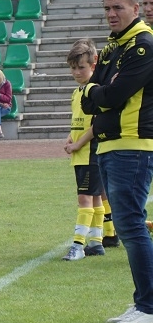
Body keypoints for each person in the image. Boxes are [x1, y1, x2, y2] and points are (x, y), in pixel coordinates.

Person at [80, 0, 153, 323]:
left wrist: (96, 91)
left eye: (118, 8)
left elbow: (110, 95)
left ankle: (149, 306)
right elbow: (89, 97)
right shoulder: (113, 46)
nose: (111, 14)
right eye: (107, 8)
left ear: (136, 9)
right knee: (127, 224)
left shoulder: (142, 46)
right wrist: (97, 91)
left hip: (132, 145)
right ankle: (143, 301)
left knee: (131, 224)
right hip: (110, 144)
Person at [63, 38, 107, 262]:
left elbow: (97, 124)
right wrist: (71, 137)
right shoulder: (76, 92)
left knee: (84, 198)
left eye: (81, 67)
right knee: (95, 197)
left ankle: (78, 245)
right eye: (73, 68)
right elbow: (78, 120)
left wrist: (79, 144)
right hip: (80, 153)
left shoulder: (95, 90)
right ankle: (96, 242)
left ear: (93, 65)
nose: (76, 72)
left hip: (91, 151)